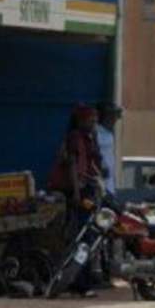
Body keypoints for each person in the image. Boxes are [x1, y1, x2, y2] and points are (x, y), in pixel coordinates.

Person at [46, 104, 104, 297]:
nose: (94, 123)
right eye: (91, 120)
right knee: (82, 238)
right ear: (81, 120)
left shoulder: (89, 139)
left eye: (95, 120)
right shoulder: (74, 138)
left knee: (89, 237)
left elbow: (95, 165)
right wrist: (78, 193)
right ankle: (80, 283)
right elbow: (72, 165)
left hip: (88, 189)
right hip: (78, 193)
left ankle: (84, 280)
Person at [95, 102, 122, 195]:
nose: (114, 120)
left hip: (109, 182)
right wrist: (100, 166)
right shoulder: (96, 132)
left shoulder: (109, 134)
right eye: (112, 117)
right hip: (100, 179)